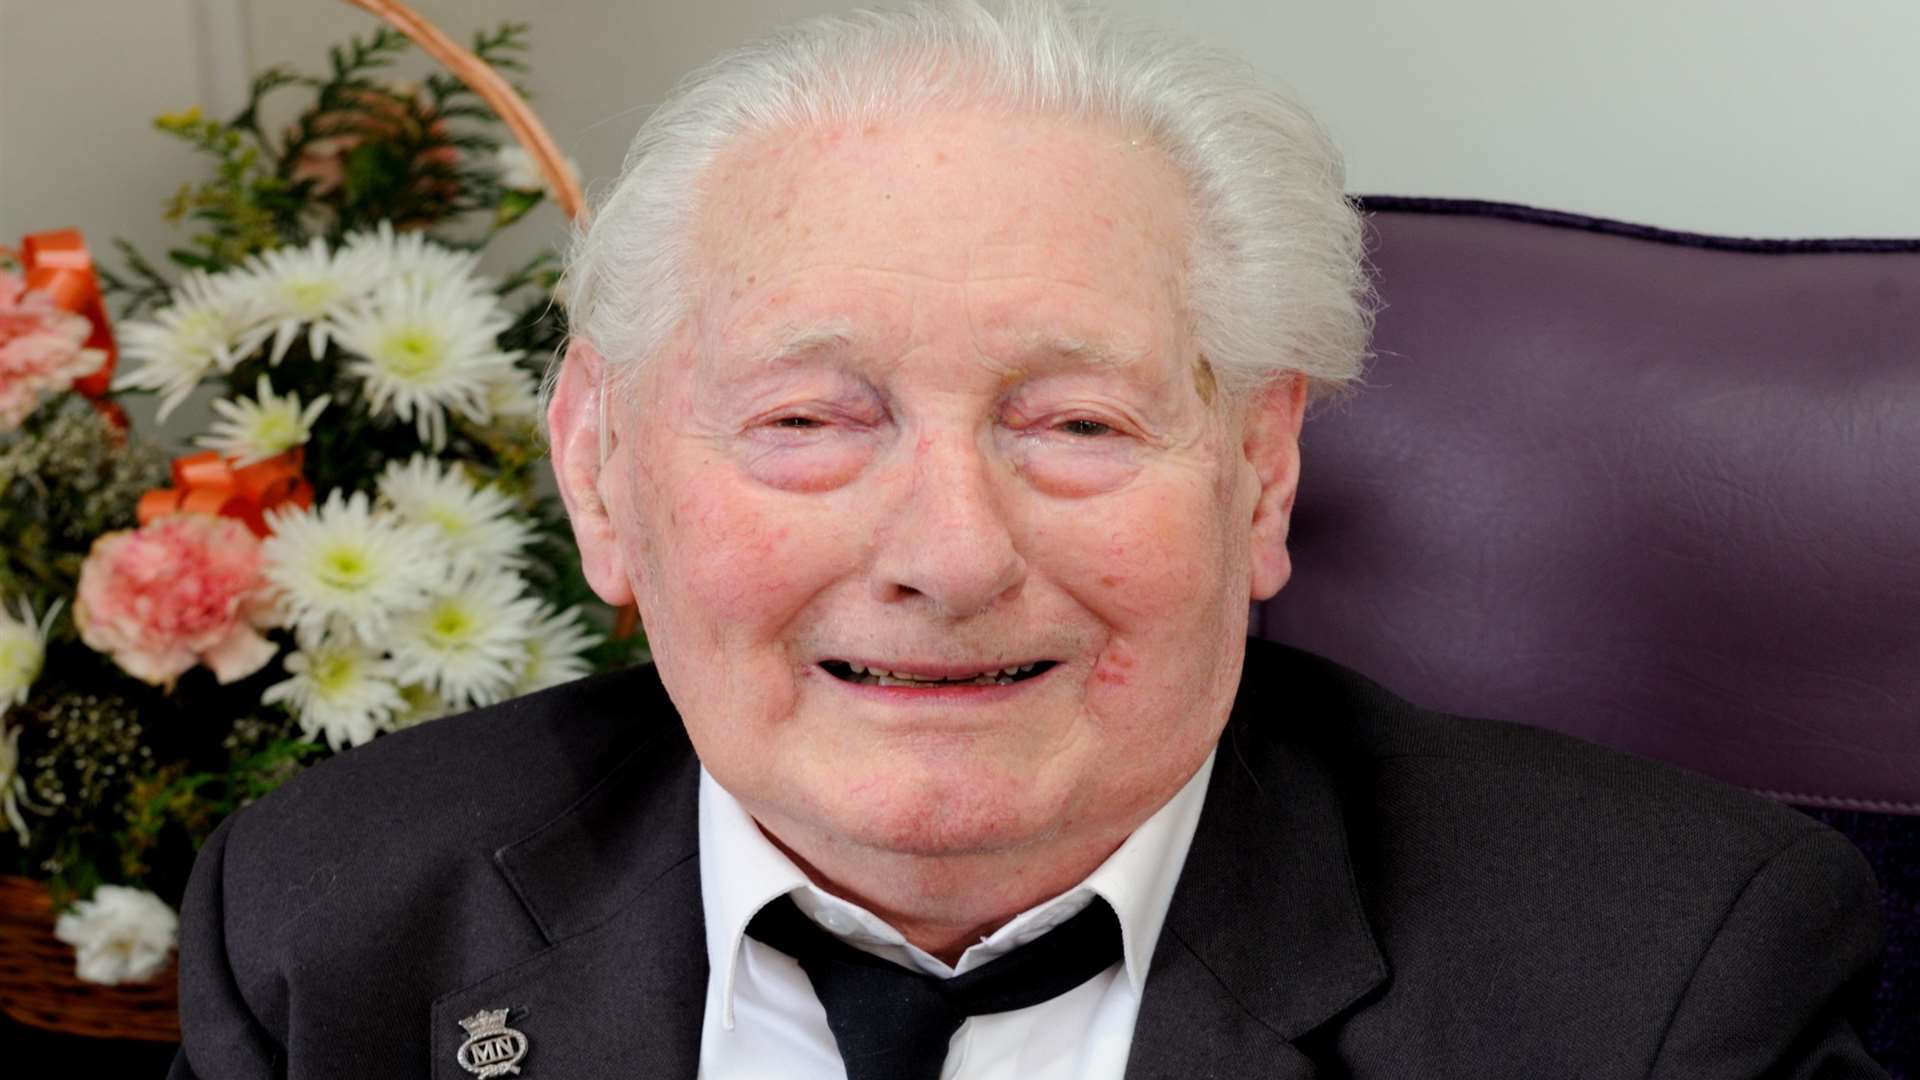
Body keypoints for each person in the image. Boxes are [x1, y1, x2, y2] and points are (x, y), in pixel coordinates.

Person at [170, 2, 1888, 1077]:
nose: (949, 553)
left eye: (1073, 422)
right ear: (605, 477)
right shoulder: (334, 928)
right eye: (810, 420)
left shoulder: (1665, 989)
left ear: (1259, 471)